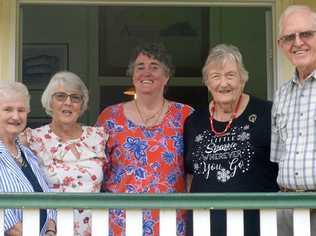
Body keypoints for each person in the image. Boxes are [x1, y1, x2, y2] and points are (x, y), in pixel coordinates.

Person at [96, 42, 193, 236]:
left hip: (170, 222)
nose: (146, 72)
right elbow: (96, 170)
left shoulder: (185, 116)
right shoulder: (110, 117)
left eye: (154, 67)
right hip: (119, 222)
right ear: (132, 75)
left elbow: (194, 172)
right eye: (140, 67)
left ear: (166, 76)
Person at [184, 44, 279, 236]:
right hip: (204, 226)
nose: (223, 83)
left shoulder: (267, 113)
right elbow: (190, 175)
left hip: (256, 226)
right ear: (207, 82)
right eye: (216, 76)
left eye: (230, 75)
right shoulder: (194, 121)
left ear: (242, 79)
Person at [22, 71, 108, 236]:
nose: (68, 102)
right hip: (50, 229)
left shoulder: (98, 137)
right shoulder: (32, 139)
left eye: (75, 97)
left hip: (93, 229)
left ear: (82, 104)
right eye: (60, 96)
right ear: (50, 102)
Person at [271, 5, 316, 236]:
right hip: (285, 206)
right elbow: (278, 156)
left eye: (306, 34)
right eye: (289, 37)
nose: (297, 42)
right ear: (281, 45)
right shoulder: (280, 95)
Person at [0, 80, 56, 236]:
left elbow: (47, 197)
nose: (15, 116)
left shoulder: (27, 153)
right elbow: (7, 220)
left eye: (21, 110)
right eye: (8, 109)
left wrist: (51, 229)